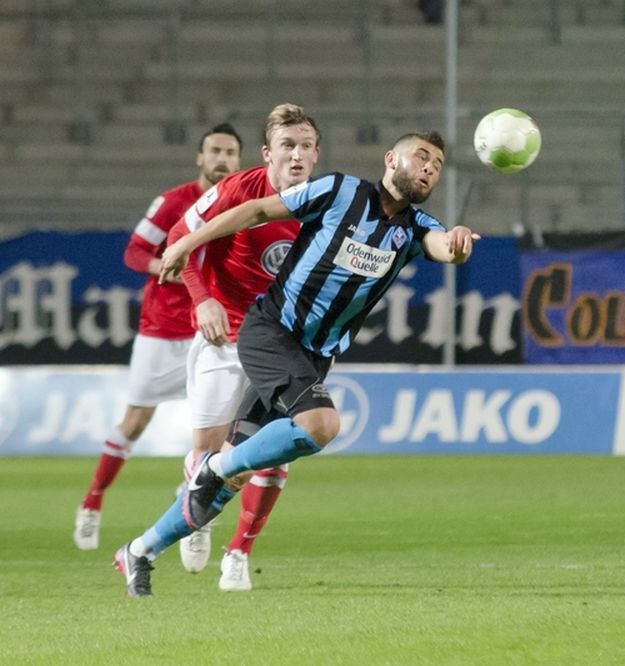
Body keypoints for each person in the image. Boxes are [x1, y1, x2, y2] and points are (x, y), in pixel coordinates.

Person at [113, 130, 480, 596]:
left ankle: (139, 550)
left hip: (315, 354)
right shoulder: (340, 190)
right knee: (321, 425)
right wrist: (188, 243)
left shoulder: (417, 227)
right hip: (272, 331)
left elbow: (443, 246)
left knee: (231, 481)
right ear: (391, 159)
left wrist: (457, 242)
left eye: (437, 164)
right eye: (421, 156)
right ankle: (215, 467)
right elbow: (257, 210)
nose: (429, 167)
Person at [170, 103, 322, 589]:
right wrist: (203, 300)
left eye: (305, 146)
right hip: (225, 336)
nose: (296, 155)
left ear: (316, 154)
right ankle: (199, 510)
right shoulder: (238, 190)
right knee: (207, 451)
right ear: (267, 153)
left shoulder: (327, 203)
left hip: (279, 344)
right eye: (287, 146)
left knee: (274, 454)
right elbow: (180, 235)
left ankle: (239, 553)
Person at [72, 122, 243, 551]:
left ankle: (194, 515)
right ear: (200, 157)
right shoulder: (173, 203)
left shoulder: (243, 202)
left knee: (220, 434)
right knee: (135, 421)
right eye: (215, 151)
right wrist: (167, 266)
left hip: (217, 331)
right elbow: (134, 252)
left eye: (230, 152)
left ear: (240, 159)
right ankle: (92, 502)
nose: (222, 159)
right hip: (164, 329)